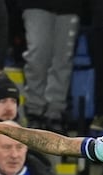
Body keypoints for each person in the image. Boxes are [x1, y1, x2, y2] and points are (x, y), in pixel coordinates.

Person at [19, 0, 80, 132]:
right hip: (36, 5)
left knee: (62, 61)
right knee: (37, 56)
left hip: (70, 7)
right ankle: (34, 111)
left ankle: (55, 112)